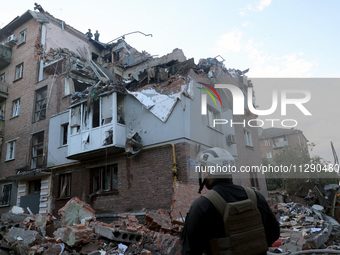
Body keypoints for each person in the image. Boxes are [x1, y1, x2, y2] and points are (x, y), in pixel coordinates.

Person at [181, 147, 280, 254]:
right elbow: (274, 233)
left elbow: (189, 250)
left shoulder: (201, 205)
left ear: (209, 170)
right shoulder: (256, 196)